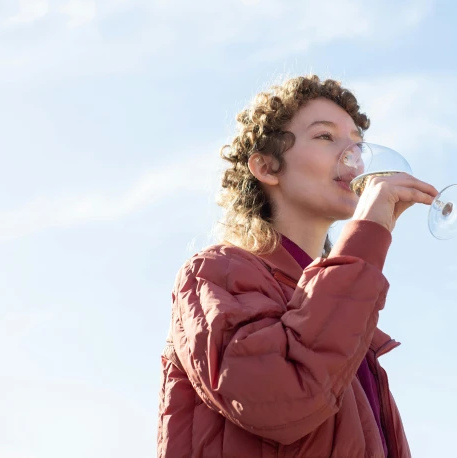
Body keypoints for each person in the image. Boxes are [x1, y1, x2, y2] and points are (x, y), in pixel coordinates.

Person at [157, 75, 437, 457]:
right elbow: (281, 397)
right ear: (267, 167)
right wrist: (367, 236)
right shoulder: (213, 274)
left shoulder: (340, 305)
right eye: (326, 137)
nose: (353, 156)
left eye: (357, 143)